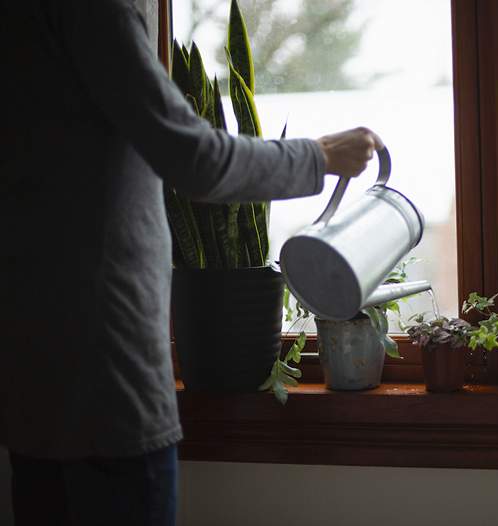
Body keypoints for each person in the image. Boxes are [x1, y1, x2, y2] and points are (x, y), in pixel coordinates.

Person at [0, 1, 382, 524]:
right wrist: (320, 155)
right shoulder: (97, 11)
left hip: (33, 389)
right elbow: (196, 162)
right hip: (109, 386)